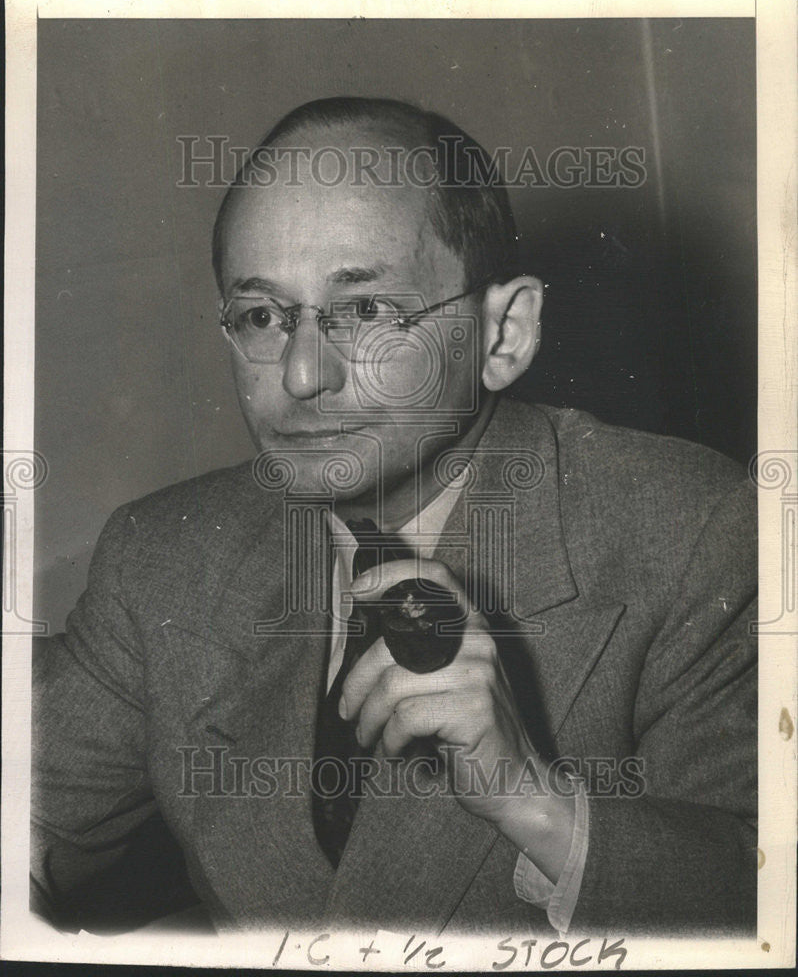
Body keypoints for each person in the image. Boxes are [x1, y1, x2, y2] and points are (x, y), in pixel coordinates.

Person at [31, 97, 757, 937]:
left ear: (503, 334)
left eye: (368, 310)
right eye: (263, 316)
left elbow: (768, 907)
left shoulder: (691, 530)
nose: (304, 375)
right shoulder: (162, 556)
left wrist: (535, 801)